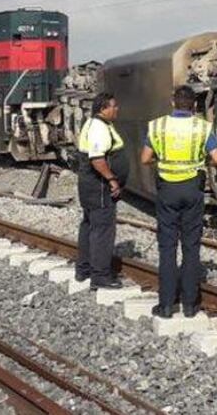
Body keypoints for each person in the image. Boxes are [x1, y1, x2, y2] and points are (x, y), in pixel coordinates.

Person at [141, 86, 217, 319]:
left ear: (172, 102)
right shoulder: (202, 127)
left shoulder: (158, 126)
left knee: (167, 248)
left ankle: (166, 305)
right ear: (194, 105)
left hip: (167, 190)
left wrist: (162, 158)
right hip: (192, 190)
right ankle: (189, 305)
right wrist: (198, 159)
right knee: (191, 246)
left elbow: (145, 158)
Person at [75, 92, 130, 290]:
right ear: (103, 108)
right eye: (113, 106)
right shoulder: (99, 128)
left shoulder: (92, 123)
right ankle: (100, 275)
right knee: (102, 229)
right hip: (99, 186)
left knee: (89, 225)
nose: (117, 109)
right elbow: (97, 159)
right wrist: (112, 180)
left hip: (88, 185)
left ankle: (83, 269)